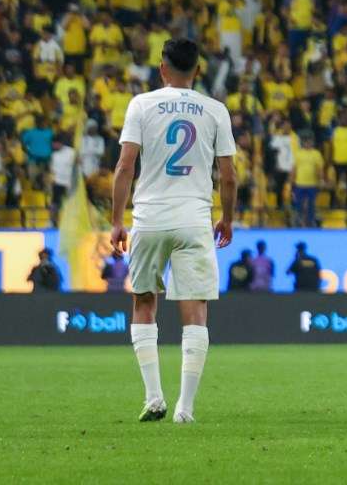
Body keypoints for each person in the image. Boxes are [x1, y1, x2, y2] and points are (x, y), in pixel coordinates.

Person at [108, 38, 237, 424]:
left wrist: (117, 220)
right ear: (197, 70)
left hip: (149, 218)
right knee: (195, 310)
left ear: (162, 68)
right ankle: (186, 408)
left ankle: (153, 398)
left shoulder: (141, 105)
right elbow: (228, 175)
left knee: (143, 302)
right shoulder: (215, 110)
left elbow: (125, 166)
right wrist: (227, 218)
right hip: (193, 219)